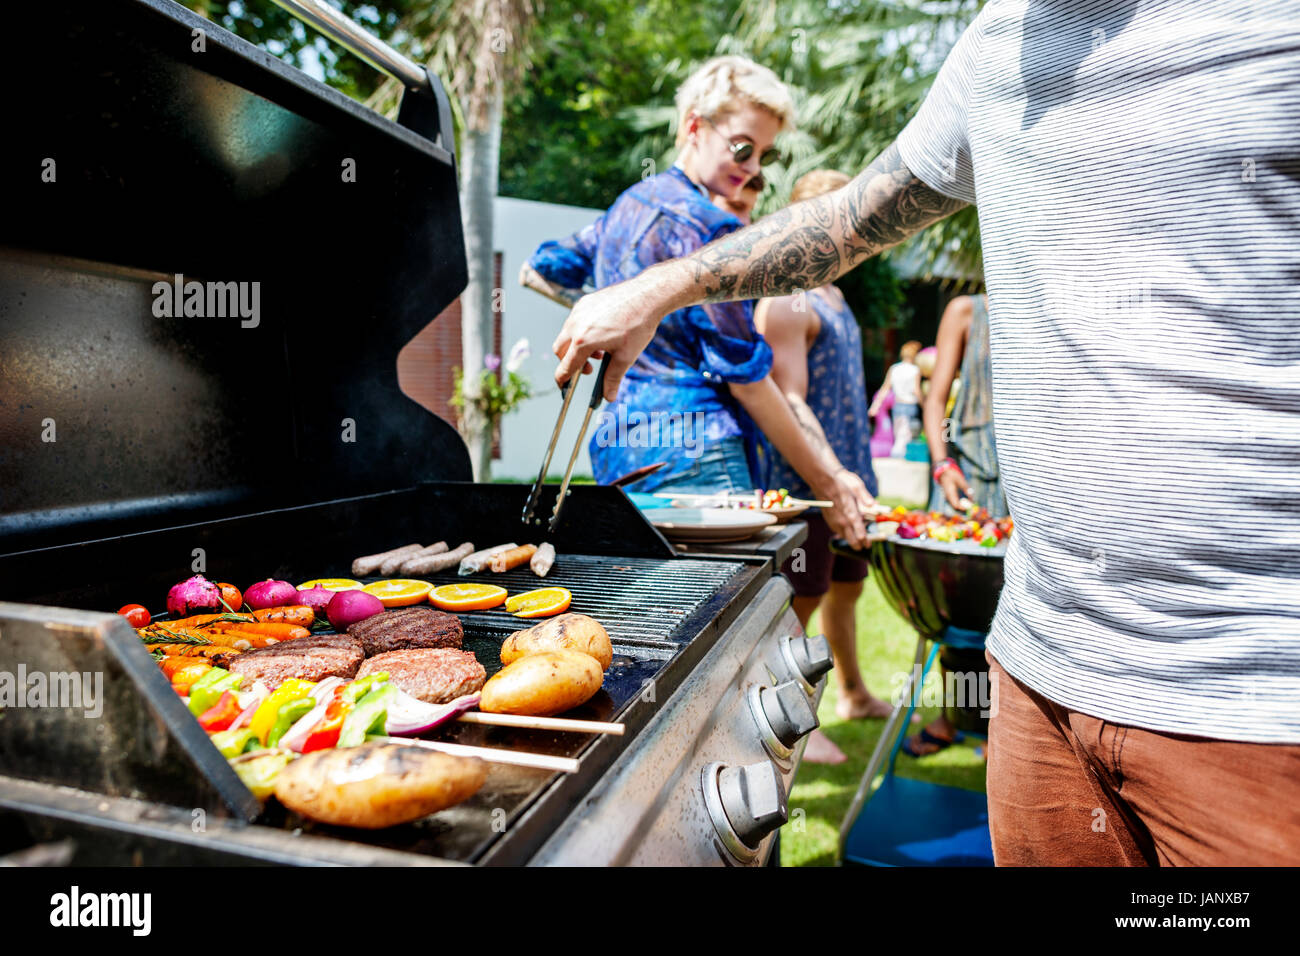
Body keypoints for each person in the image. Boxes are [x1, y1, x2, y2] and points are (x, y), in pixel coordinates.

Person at [549, 1, 1300, 865]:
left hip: (1256, 696)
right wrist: (650, 292)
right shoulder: (998, 42)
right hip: (1041, 674)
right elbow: (843, 226)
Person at [522, 55, 869, 547]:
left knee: (649, 607)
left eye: (764, 156)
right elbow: (747, 380)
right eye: (743, 148)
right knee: (729, 615)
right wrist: (828, 481)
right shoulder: (712, 228)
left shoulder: (626, 207)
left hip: (618, 449)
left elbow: (540, 267)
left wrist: (629, 320)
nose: (751, 170)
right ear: (694, 127)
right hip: (698, 452)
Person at [755, 170, 893, 764]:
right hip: (807, 484)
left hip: (850, 474)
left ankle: (854, 695)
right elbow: (788, 399)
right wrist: (830, 481)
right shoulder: (788, 294)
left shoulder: (832, 290)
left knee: (847, 586)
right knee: (798, 607)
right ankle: (790, 724)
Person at [902, 292, 1007, 759]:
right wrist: (942, 465)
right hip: (965, 475)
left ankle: (1001, 728)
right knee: (956, 608)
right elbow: (937, 393)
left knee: (1011, 611)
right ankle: (953, 717)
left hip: (1027, 481)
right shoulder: (968, 311)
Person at [869, 341, 924, 457]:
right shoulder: (915, 370)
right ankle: (899, 456)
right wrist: (924, 404)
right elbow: (916, 390)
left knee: (899, 433)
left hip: (897, 405)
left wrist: (875, 405)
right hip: (909, 405)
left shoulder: (894, 368)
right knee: (906, 436)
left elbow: (885, 388)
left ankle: (897, 454)